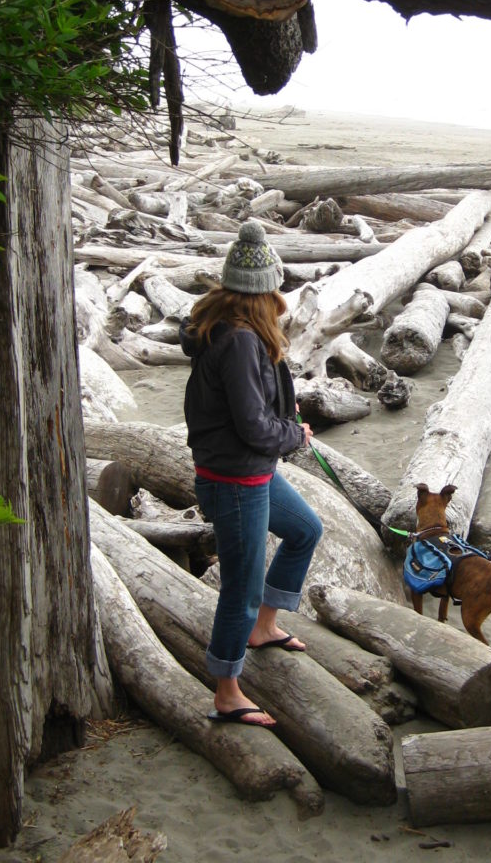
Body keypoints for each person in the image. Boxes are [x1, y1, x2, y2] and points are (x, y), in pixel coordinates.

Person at [180, 220, 322, 729]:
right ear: (262, 294)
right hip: (235, 480)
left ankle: (264, 628)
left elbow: (254, 410)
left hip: (249, 473)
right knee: (239, 585)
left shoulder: (235, 332)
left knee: (306, 529)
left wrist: (283, 418)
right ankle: (226, 689)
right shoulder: (239, 341)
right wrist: (296, 436)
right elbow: (254, 426)